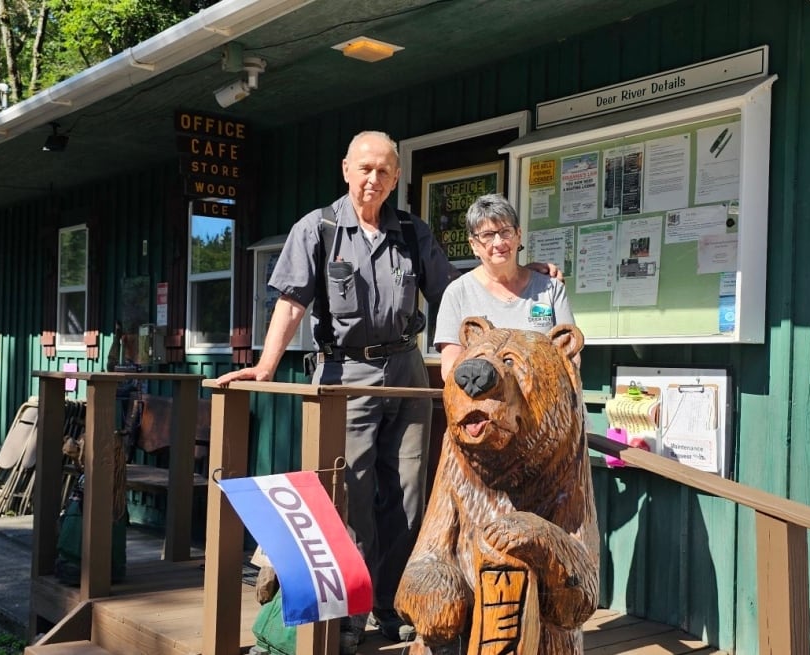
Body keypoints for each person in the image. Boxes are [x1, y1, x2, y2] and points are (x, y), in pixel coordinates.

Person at [217, 133, 558, 654]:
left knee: (408, 492)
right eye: (365, 169)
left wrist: (517, 271)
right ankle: (349, 613)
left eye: (384, 171)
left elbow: (456, 289)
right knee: (346, 493)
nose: (373, 179)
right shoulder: (319, 228)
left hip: (405, 371)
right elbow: (290, 305)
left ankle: (394, 604)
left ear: (396, 177)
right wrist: (264, 365)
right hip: (343, 373)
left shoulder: (410, 231)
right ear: (346, 169)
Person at [434, 193, 576, 381]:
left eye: (505, 232)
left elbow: (572, 357)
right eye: (487, 235)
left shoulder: (550, 288)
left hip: (541, 402)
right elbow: (450, 369)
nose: (499, 243)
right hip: (484, 401)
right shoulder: (457, 293)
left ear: (518, 235)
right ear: (473, 245)